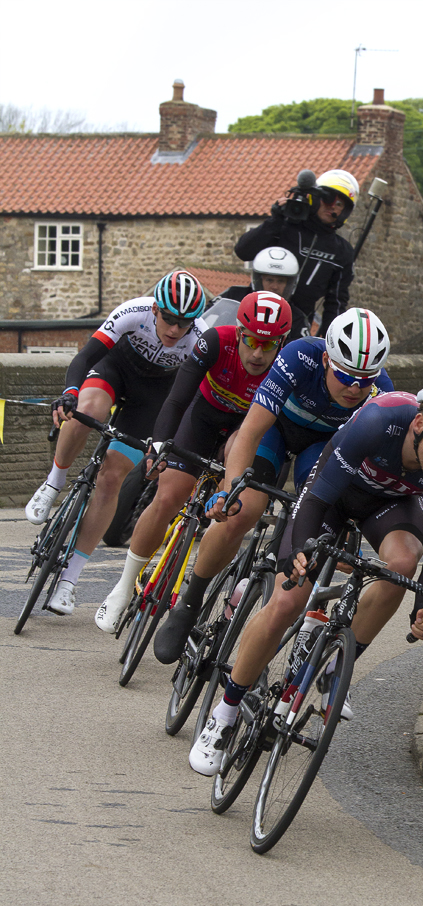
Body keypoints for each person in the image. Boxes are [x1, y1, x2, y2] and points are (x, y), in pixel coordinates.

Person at [188, 370, 423, 775]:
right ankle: (223, 716)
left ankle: (336, 667)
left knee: (404, 563)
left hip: (389, 506)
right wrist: (301, 550)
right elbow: (315, 499)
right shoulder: (378, 420)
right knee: (287, 601)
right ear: (420, 423)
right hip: (330, 496)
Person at [153, 307, 392, 665]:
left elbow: (360, 470)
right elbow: (248, 432)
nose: (355, 388)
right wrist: (228, 490)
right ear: (326, 359)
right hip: (275, 430)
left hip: (321, 448)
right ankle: (190, 600)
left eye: (365, 379)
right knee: (242, 511)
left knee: (316, 530)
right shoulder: (299, 358)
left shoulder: (380, 392)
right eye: (345, 375)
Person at [94, 291, 293, 633]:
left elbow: (284, 435)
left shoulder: (288, 367)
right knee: (169, 495)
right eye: (252, 342)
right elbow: (176, 399)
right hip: (202, 418)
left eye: (269, 345)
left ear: (282, 343)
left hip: (243, 430)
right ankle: (123, 586)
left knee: (238, 465)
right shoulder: (215, 342)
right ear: (239, 333)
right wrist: (159, 446)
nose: (259, 354)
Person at [24, 270, 207, 616]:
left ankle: (68, 582)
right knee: (86, 409)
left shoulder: (199, 340)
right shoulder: (132, 313)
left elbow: (193, 402)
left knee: (112, 478)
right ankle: (54, 482)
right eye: (168, 319)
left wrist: (165, 444)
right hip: (115, 370)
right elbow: (85, 357)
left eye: (183, 323)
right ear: (155, 310)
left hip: (152, 397)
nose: (174, 330)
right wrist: (69, 393)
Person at [234, 169, 358, 337]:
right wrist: (275, 220)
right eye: (327, 199)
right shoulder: (284, 228)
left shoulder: (342, 252)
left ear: (345, 211)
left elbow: (335, 303)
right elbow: (243, 251)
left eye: (339, 204)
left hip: (296, 326)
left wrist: (328, 342)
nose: (332, 207)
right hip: (255, 316)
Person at [217, 247, 309, 343]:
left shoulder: (297, 318)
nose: (274, 286)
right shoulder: (233, 295)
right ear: (259, 280)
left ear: (289, 284)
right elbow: (207, 315)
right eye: (269, 280)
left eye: (281, 281)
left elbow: (299, 351)